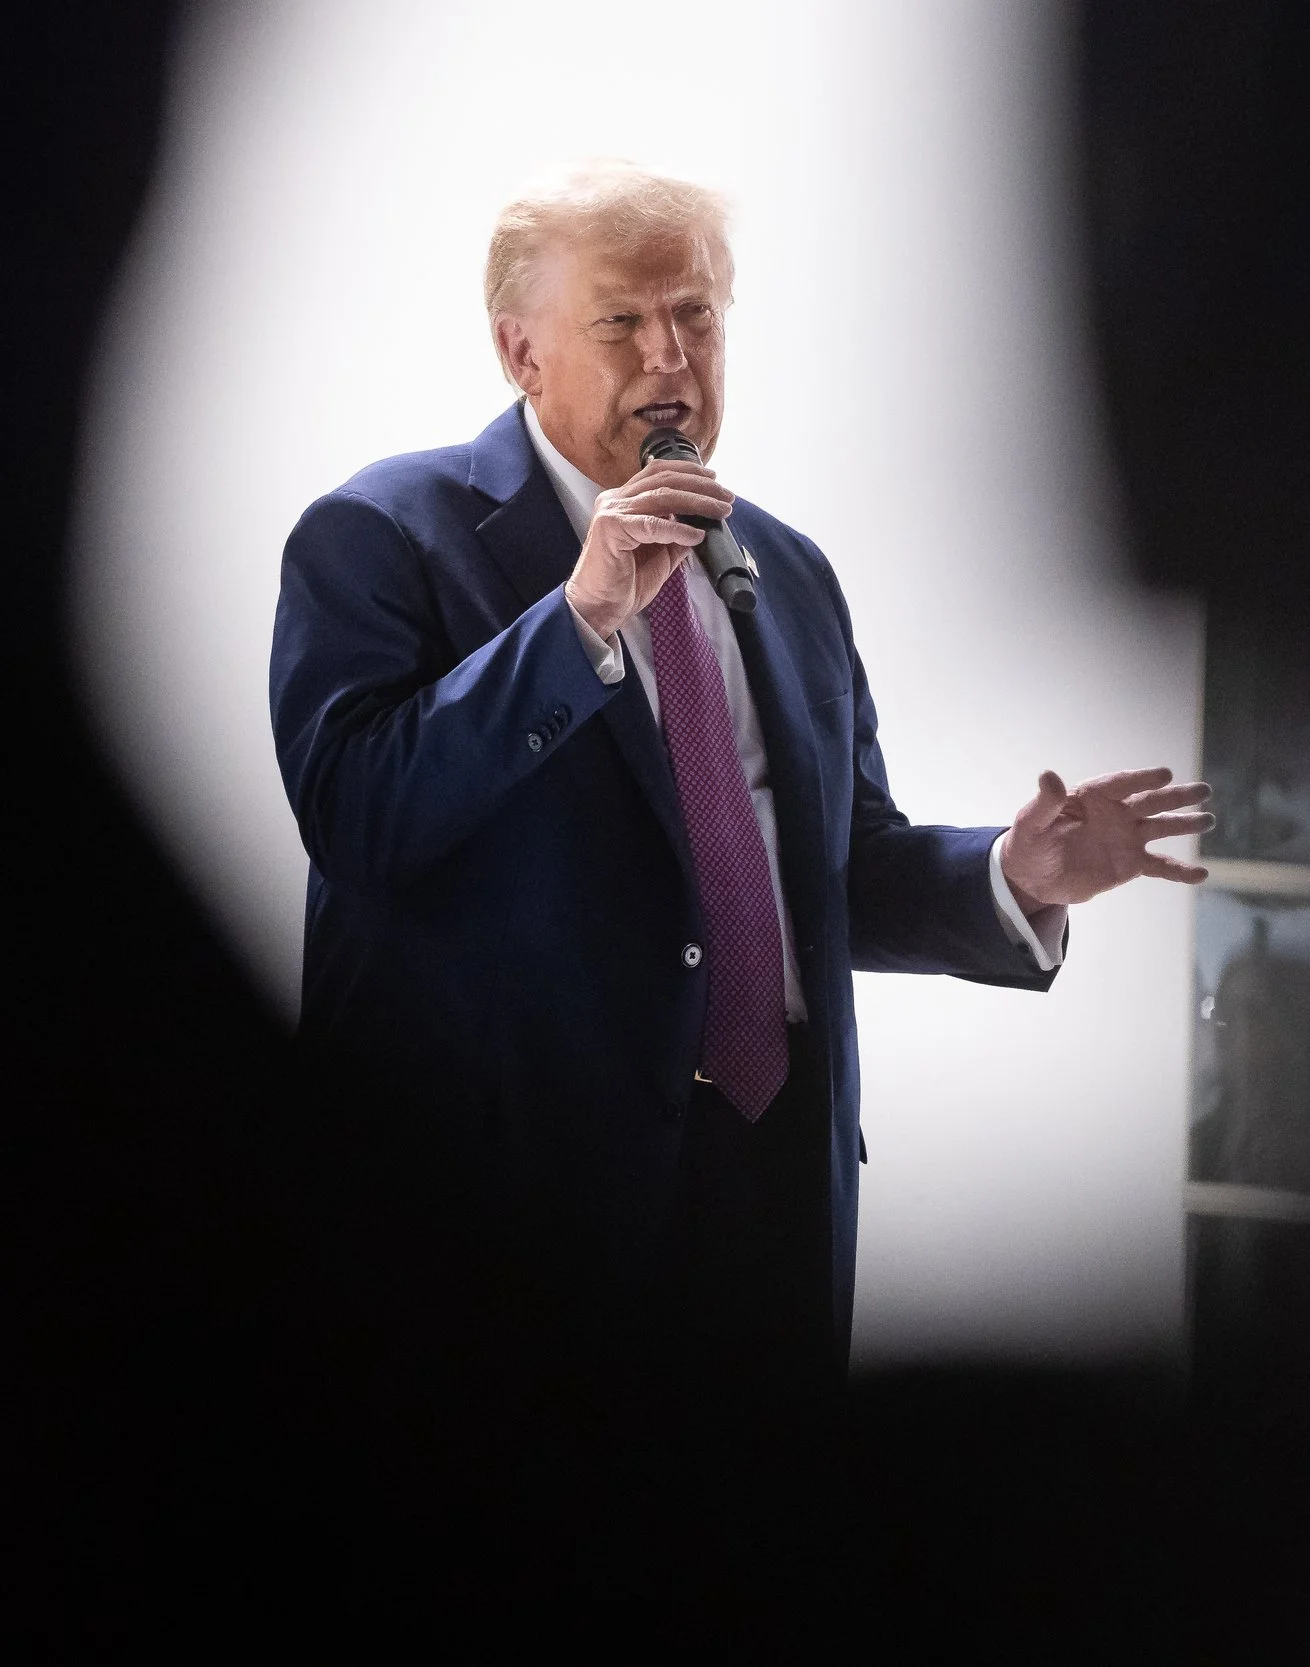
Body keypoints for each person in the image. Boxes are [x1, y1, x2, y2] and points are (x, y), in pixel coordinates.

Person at [267, 159, 1212, 1424]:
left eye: (696, 315)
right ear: (521, 351)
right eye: (621, 320)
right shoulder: (380, 535)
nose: (670, 356)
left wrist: (1012, 875)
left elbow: (826, 869)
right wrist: (581, 615)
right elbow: (358, 816)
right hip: (507, 1212)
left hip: (773, 1193)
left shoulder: (788, 570)